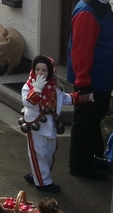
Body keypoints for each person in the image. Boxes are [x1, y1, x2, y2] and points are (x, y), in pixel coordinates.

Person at [67, 0, 113, 180]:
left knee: (93, 121)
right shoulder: (88, 12)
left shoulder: (100, 5)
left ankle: (91, 158)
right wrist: (83, 85)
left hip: (101, 79)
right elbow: (81, 52)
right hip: (92, 81)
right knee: (84, 122)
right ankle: (79, 165)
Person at [21, 55, 90, 193]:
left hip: (51, 126)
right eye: (37, 69)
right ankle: (43, 183)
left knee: (49, 153)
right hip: (36, 126)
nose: (40, 73)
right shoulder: (29, 86)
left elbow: (66, 98)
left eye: (44, 70)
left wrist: (83, 97)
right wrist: (37, 89)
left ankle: (38, 176)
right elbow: (28, 103)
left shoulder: (56, 87)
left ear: (51, 72)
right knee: (39, 154)